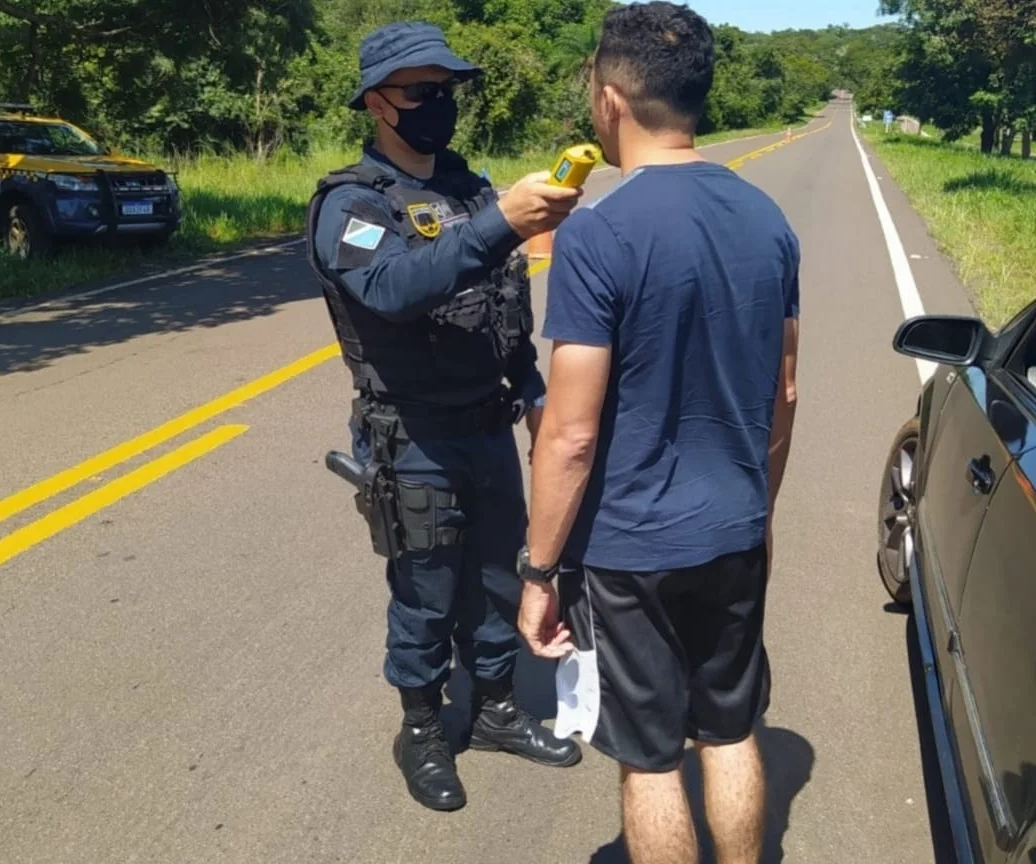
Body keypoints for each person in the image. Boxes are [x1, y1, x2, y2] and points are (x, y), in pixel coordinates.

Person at [515, 3, 800, 863]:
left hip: (631, 547)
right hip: (734, 525)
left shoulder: (597, 233)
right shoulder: (768, 220)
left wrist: (538, 572)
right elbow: (783, 390)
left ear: (609, 99)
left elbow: (568, 432)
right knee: (731, 730)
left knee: (648, 762)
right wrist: (761, 509)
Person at [304, 21, 585, 813]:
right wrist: (506, 221)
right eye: (421, 91)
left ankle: (494, 707)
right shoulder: (352, 206)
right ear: (377, 105)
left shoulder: (468, 190)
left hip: (486, 422)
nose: (439, 105)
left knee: (498, 577)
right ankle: (422, 727)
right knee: (427, 589)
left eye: (446, 90)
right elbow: (393, 289)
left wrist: (529, 385)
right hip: (412, 434)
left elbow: (502, 303)